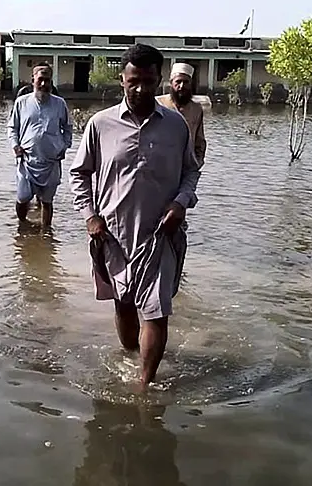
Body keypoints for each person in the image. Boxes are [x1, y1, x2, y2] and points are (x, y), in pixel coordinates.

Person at [69, 44, 200, 387]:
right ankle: (131, 356)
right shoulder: (100, 125)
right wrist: (89, 216)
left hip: (161, 233)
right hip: (112, 235)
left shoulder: (176, 125)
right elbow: (79, 173)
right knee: (123, 304)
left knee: (157, 310)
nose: (141, 88)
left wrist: (181, 202)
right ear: (122, 80)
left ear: (160, 80)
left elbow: (191, 171)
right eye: (134, 81)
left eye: (149, 80)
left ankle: (144, 384)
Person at [8, 63, 73, 228]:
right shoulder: (21, 103)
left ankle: (46, 234)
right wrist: (15, 145)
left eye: (48, 81)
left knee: (47, 201)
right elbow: (12, 127)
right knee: (22, 198)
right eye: (40, 80)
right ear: (33, 81)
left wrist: (64, 146)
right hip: (26, 161)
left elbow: (68, 127)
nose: (44, 84)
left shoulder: (60, 104)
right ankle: (22, 227)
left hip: (51, 161)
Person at [156, 63, 207, 168]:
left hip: (186, 166)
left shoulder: (196, 109)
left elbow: (200, 141)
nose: (182, 86)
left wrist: (197, 163)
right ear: (171, 83)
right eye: (178, 82)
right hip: (160, 165)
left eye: (186, 82)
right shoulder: (158, 104)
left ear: (191, 84)